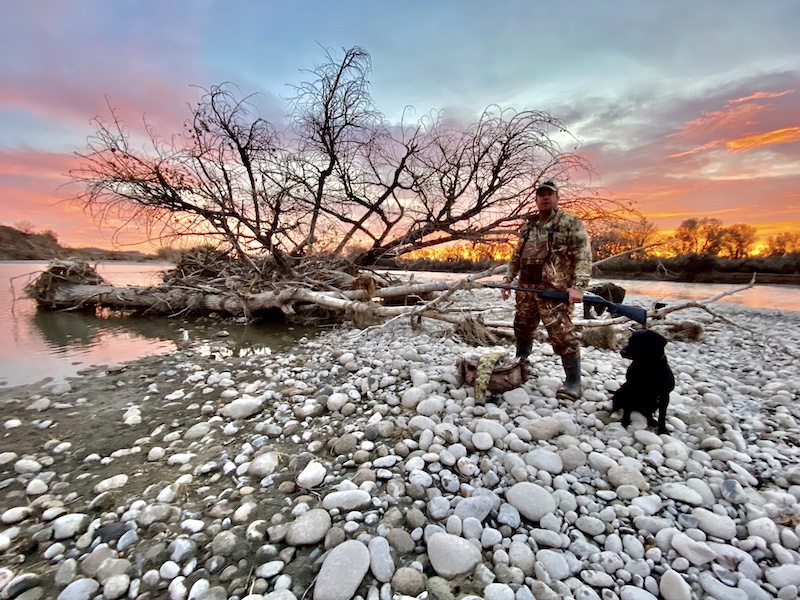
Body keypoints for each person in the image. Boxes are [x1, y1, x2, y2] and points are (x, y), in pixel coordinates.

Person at [500, 179, 592, 400]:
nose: (545, 198)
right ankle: (521, 364)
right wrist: (507, 279)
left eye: (550, 194)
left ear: (557, 198)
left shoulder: (571, 222)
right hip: (526, 290)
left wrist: (579, 287)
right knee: (522, 327)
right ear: (536, 199)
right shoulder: (528, 226)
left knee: (562, 334)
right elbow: (516, 255)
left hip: (555, 292)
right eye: (541, 194)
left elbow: (583, 255)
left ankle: (573, 381)